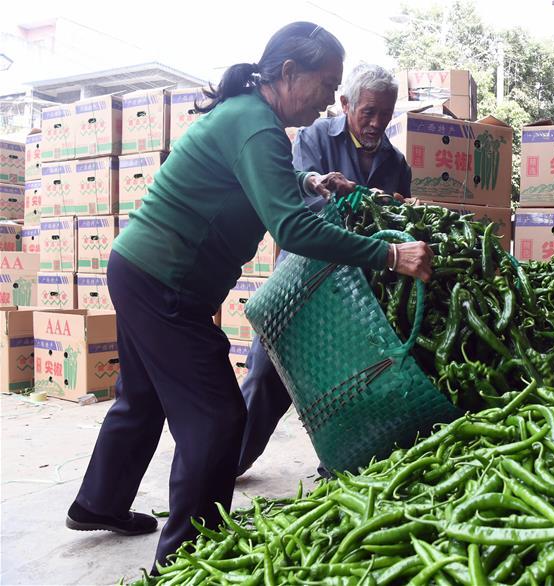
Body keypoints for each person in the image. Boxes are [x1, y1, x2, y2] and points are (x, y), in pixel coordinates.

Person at [64, 22, 433, 570]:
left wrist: (309, 182)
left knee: (141, 397)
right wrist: (390, 255)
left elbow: (247, 178)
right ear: (289, 72)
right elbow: (293, 230)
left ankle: (99, 502)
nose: (329, 98)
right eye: (326, 83)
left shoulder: (249, 116)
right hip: (166, 282)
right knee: (216, 419)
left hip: (141, 268)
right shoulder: (257, 126)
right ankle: (186, 559)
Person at [237, 63, 411, 477]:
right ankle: (226, 462)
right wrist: (370, 206)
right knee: (266, 373)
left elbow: (400, 219)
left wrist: (384, 208)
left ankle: (336, 470)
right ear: (347, 104)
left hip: (360, 296)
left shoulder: (396, 162)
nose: (377, 122)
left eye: (385, 113)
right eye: (368, 112)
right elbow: (306, 210)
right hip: (303, 281)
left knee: (347, 382)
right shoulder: (314, 139)